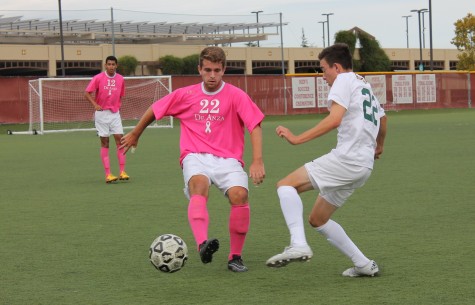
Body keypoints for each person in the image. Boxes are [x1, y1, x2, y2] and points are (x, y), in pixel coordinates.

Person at [120, 46, 265, 272]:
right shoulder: (185, 94)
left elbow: (254, 125)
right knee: (198, 185)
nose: (212, 75)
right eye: (207, 70)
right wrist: (137, 133)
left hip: (228, 158)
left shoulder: (237, 96)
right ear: (199, 69)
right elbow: (156, 109)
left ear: (224, 70)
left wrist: (257, 160)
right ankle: (202, 244)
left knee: (240, 195)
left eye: (217, 70)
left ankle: (235, 256)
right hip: (195, 155)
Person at [266, 43, 387, 277]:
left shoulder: (343, 80)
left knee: (285, 185)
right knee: (318, 219)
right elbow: (383, 119)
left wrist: (297, 138)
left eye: (323, 70)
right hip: (363, 166)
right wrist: (379, 145)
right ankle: (363, 264)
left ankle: (298, 244)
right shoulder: (364, 84)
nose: (323, 76)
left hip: (348, 159)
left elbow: (334, 120)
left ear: (337, 67)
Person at [85, 55, 129, 184]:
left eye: (113, 64)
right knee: (105, 143)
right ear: (105, 65)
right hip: (101, 114)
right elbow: (87, 93)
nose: (111, 66)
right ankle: (108, 174)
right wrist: (95, 105)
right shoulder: (98, 78)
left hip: (115, 114)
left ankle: (122, 172)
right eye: (108, 64)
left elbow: (121, 95)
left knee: (120, 142)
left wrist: (116, 106)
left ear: (116, 66)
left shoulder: (121, 79)